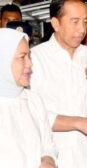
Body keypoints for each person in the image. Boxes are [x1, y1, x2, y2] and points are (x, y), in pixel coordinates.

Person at [30, 0, 87, 167]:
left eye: (85, 21)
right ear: (56, 23)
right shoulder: (35, 59)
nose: (82, 29)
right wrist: (79, 123)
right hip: (52, 158)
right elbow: (32, 116)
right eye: (75, 21)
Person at [0, 28, 57, 168]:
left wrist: (48, 160)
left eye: (29, 56)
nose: (30, 64)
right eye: (22, 57)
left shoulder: (34, 101)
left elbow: (48, 145)